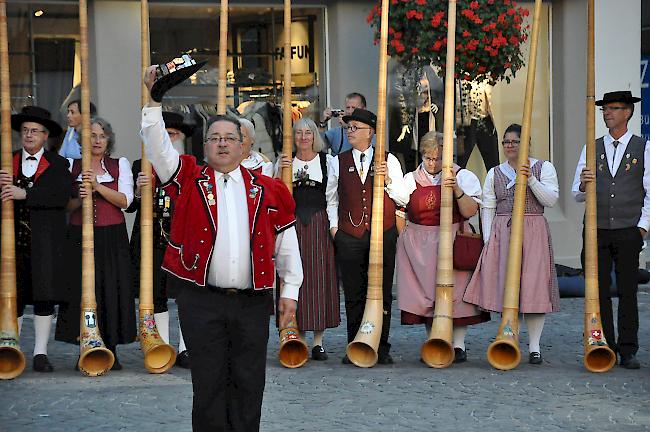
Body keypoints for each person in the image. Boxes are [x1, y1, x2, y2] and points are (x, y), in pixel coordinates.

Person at [141, 65, 303, 432]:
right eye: (215, 138)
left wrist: (290, 290)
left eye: (230, 137)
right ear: (204, 145)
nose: (222, 143)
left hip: (252, 301)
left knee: (249, 382)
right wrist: (152, 101)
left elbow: (286, 242)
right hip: (202, 300)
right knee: (208, 383)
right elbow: (156, 145)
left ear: (245, 145)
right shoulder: (186, 178)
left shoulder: (268, 189)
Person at [464, 123, 560, 365]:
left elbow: (551, 199)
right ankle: (508, 335)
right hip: (502, 231)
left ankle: (535, 346)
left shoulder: (543, 167)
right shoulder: (495, 172)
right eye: (505, 142)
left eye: (514, 141)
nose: (508, 146)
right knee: (507, 287)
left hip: (533, 229)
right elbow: (488, 207)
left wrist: (530, 181)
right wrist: (488, 241)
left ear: (525, 143)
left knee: (534, 286)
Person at [396, 132, 489, 363]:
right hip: (421, 246)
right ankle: (434, 340)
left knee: (457, 293)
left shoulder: (462, 176)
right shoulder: (411, 179)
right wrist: (406, 238)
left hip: (453, 239)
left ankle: (458, 345)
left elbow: (470, 211)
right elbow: (400, 211)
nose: (432, 163)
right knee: (426, 294)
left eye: (438, 158)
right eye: (428, 158)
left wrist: (456, 189)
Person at [572, 90, 648, 369]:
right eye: (604, 109)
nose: (607, 113)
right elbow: (576, 194)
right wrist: (583, 183)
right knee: (598, 289)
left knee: (628, 290)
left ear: (627, 112)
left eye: (613, 109)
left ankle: (628, 349)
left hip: (629, 228)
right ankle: (603, 344)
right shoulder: (591, 147)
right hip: (596, 229)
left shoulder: (644, 147)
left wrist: (642, 228)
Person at [325, 107, 406, 365]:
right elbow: (331, 198)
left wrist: (388, 179)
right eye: (348, 127)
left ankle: (381, 346)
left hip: (382, 233)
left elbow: (403, 197)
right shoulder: (338, 160)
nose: (349, 131)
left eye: (355, 127)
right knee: (353, 291)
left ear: (370, 132)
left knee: (381, 291)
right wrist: (334, 228)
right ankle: (355, 343)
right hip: (350, 233)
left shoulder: (388, 159)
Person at [55, 117, 136, 370]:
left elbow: (125, 200)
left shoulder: (119, 165)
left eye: (101, 136)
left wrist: (97, 187)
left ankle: (110, 347)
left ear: (108, 139)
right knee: (81, 289)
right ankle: (85, 345)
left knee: (111, 289)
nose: (97, 140)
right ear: (82, 141)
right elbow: (65, 206)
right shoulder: (71, 165)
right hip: (79, 235)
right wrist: (80, 197)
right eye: (91, 136)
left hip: (112, 236)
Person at [0, 106, 68, 372]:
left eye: (35, 131)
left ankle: (40, 352)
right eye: (25, 130)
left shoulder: (58, 163)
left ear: (45, 136)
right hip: (11, 243)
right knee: (11, 295)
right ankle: (10, 345)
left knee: (43, 296)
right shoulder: (6, 161)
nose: (29, 135)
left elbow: (61, 197)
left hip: (45, 242)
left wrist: (25, 194)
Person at [126, 111, 193, 369]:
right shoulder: (139, 166)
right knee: (156, 295)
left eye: (172, 134)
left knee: (186, 295)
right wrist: (138, 191)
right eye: (162, 134)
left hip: (182, 240)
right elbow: (130, 207)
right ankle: (161, 345)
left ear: (182, 138)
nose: (167, 139)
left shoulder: (190, 166)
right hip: (150, 239)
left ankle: (187, 348)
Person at [276, 118, 340, 360]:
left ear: (315, 136)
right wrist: (279, 170)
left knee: (318, 279)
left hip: (317, 224)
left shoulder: (327, 162)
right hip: (290, 225)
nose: (304, 137)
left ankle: (318, 341)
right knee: (291, 276)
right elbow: (276, 193)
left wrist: (333, 226)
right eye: (299, 133)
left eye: (308, 133)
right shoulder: (284, 162)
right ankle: (295, 335)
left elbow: (332, 197)